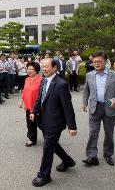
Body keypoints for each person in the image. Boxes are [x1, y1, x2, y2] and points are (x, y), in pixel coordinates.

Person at [30, 58, 77, 187]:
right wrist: (34, 111)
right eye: (43, 66)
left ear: (55, 68)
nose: (44, 69)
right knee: (53, 144)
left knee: (47, 149)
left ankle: (44, 175)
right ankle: (68, 161)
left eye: (47, 66)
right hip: (43, 120)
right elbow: (40, 98)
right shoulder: (44, 80)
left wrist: (72, 126)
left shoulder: (61, 84)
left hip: (55, 122)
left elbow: (68, 107)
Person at [82, 52, 115, 166]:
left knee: (109, 133)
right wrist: (84, 102)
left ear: (105, 62)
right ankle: (92, 156)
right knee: (93, 132)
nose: (96, 63)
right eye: (94, 61)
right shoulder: (90, 75)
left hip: (109, 107)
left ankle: (108, 154)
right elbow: (87, 90)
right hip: (95, 107)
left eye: (99, 61)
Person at [20, 62, 42, 147]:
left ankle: (50, 138)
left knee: (41, 123)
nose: (28, 71)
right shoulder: (27, 79)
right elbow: (25, 91)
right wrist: (22, 100)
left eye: (31, 69)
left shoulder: (41, 80)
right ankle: (32, 139)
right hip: (28, 105)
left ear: (36, 70)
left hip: (38, 107)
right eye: (27, 69)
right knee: (30, 123)